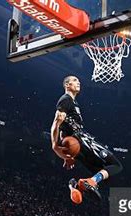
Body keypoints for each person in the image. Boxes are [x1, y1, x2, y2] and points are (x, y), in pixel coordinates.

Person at [51, 75, 123, 203]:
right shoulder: (65, 100)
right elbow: (56, 123)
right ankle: (91, 182)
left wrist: (69, 154)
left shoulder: (73, 102)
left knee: (107, 176)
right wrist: (55, 146)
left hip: (76, 145)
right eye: (74, 80)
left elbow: (62, 128)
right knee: (116, 165)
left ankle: (75, 185)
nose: (78, 82)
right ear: (67, 85)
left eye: (78, 81)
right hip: (82, 139)